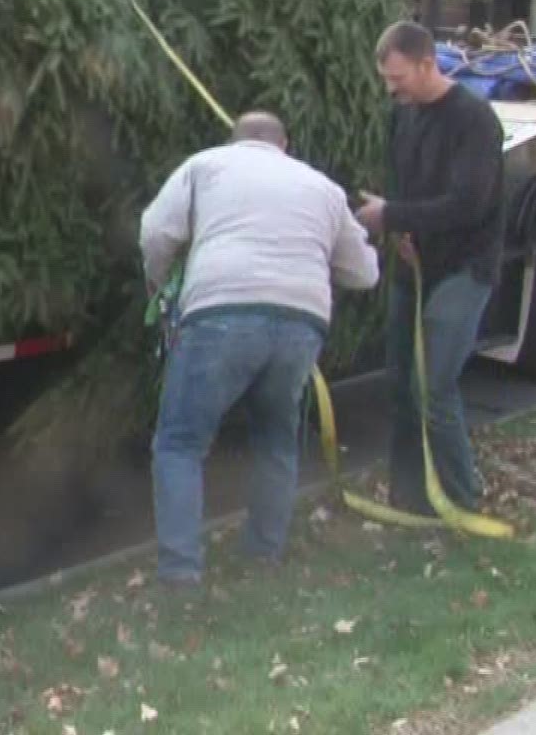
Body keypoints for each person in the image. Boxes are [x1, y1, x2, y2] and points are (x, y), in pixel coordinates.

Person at [140, 111, 380, 588]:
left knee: (180, 443)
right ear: (284, 144)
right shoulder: (324, 189)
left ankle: (181, 572)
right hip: (301, 323)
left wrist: (159, 284)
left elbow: (154, 232)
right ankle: (263, 554)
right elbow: (365, 274)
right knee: (275, 437)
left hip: (218, 314)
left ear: (234, 141)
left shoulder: (203, 166)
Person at [355, 20, 505, 518]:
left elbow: (468, 202)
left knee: (434, 386)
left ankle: (462, 498)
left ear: (426, 62)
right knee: (400, 385)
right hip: (413, 263)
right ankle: (410, 494)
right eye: (386, 79)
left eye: (398, 77)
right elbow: (403, 186)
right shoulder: (404, 115)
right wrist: (398, 227)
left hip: (464, 266)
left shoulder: (474, 120)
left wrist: (393, 216)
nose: (391, 88)